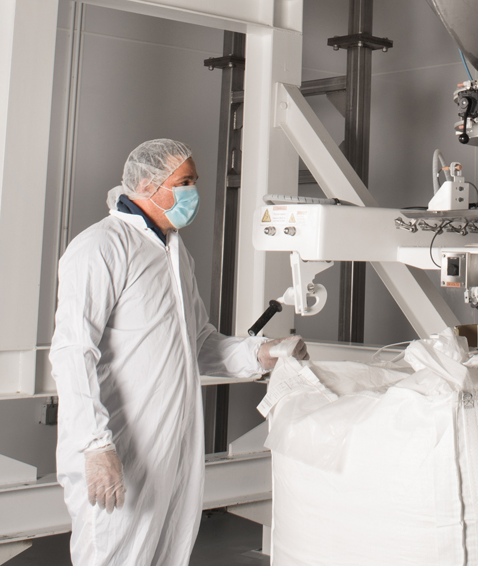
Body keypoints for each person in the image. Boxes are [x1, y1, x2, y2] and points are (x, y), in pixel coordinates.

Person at [50, 139, 307, 566]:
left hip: (172, 450)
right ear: (148, 185)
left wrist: (264, 353)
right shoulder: (101, 247)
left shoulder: (173, 252)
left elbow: (199, 342)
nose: (193, 193)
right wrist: (95, 445)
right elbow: (73, 352)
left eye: (194, 182)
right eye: (184, 182)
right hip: (120, 448)